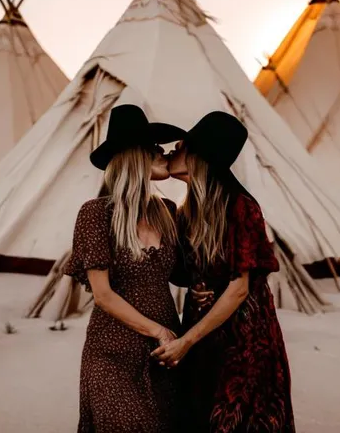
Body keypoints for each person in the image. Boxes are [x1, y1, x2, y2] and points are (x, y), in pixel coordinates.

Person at [152, 111, 296, 432]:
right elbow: (182, 274)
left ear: (200, 156)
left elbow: (239, 288)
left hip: (243, 343)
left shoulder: (240, 207)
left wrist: (186, 341)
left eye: (181, 146)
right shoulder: (186, 210)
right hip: (203, 337)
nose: (172, 151)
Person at [63, 104, 185, 433]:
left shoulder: (169, 212)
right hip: (113, 351)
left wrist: (202, 290)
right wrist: (156, 330)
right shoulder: (95, 214)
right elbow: (102, 295)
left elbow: (175, 274)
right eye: (154, 148)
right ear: (136, 156)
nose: (164, 153)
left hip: (165, 353)